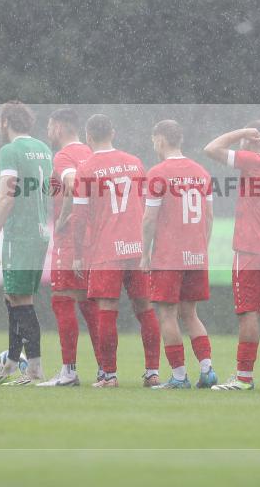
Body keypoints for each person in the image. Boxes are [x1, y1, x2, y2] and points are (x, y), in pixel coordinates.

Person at [70, 114, 161, 388]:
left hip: (106, 248)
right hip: (136, 246)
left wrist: (76, 253)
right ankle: (152, 372)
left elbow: (79, 217)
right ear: (113, 132)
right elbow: (148, 207)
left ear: (88, 137)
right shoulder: (135, 162)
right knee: (145, 308)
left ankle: (109, 375)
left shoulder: (85, 168)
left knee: (107, 309)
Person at [204, 121, 260, 391]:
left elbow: (211, 148)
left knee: (248, 313)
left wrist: (243, 132)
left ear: (255, 138)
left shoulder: (254, 161)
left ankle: (244, 377)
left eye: (245, 138)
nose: (240, 143)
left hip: (251, 248)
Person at [141, 120, 218, 389]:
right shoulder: (201, 172)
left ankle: (179, 375)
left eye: (153, 140)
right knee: (191, 313)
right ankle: (207, 370)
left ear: (161, 139)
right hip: (195, 254)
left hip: (168, 255)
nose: (153, 146)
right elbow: (209, 217)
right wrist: (201, 247)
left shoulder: (158, 173)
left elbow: (149, 220)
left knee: (167, 315)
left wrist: (144, 254)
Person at [0, 101, 53, 386]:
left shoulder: (9, 150)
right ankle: (13, 362)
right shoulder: (44, 149)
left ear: (4, 123)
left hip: (20, 232)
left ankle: (34, 369)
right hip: (38, 231)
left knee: (21, 301)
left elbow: (8, 195)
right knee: (14, 297)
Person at [37, 108, 104, 387]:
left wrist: (65, 217)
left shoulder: (64, 155)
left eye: (51, 127)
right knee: (90, 304)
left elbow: (72, 182)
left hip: (71, 237)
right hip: (95, 237)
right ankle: (105, 369)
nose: (48, 132)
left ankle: (69, 371)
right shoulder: (91, 153)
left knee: (62, 299)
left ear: (61, 127)